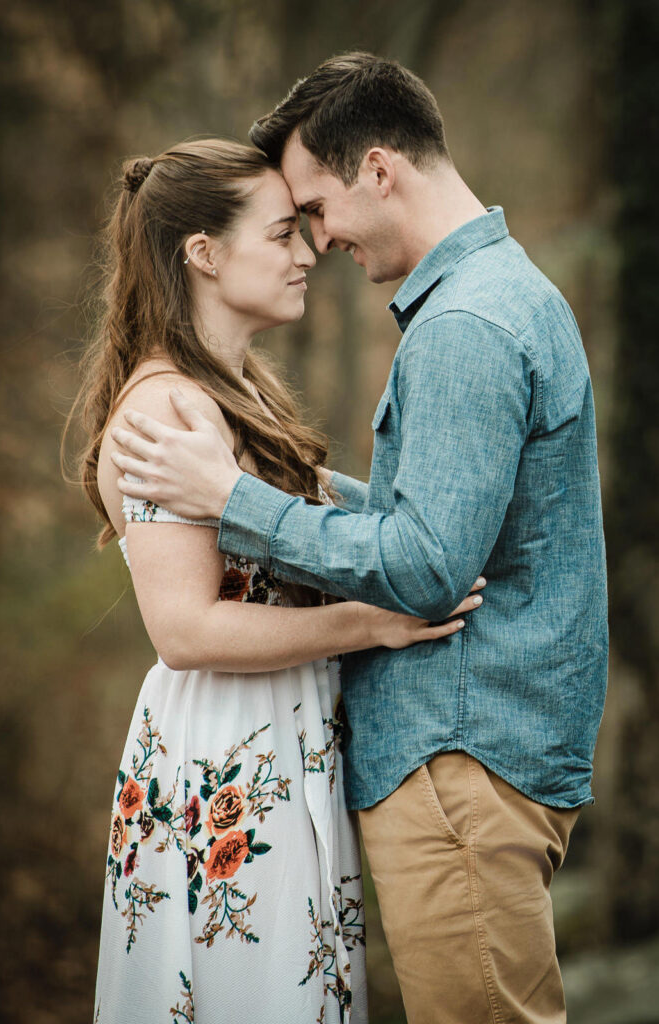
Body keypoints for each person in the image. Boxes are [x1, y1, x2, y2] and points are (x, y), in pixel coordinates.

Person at [112, 55, 609, 1024]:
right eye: (287, 224)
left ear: (379, 169)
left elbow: (424, 567)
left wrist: (237, 499)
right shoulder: (498, 296)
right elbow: (438, 514)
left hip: (462, 748)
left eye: (316, 207)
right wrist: (251, 486)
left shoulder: (464, 322)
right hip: (469, 746)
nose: (318, 238)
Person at [76, 137, 484, 1024]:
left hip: (280, 735)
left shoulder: (233, 390)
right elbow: (185, 631)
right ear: (205, 254)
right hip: (223, 753)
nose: (307, 254)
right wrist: (369, 623)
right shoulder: (160, 411)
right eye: (280, 235)